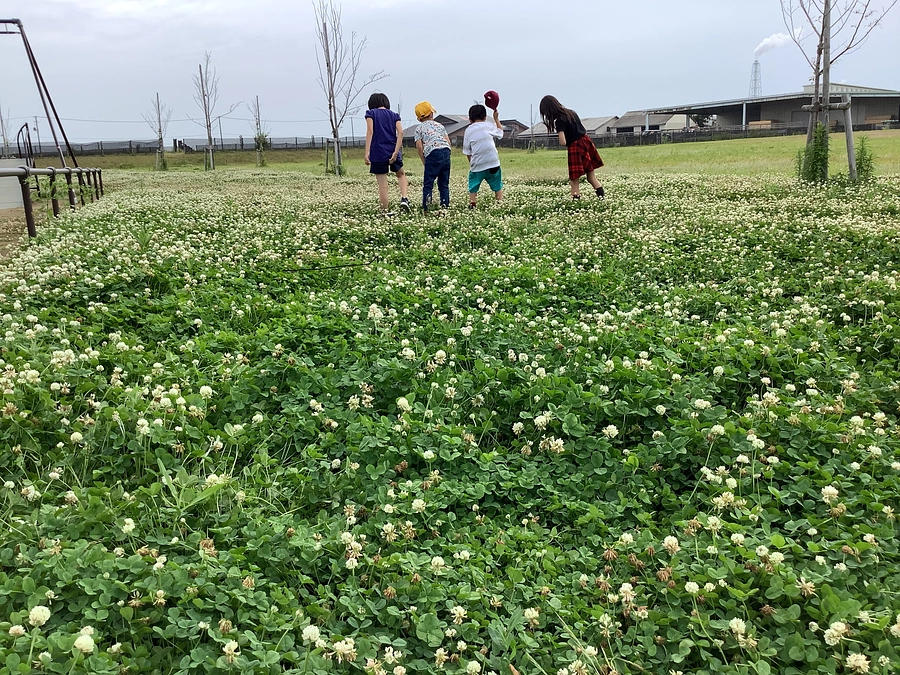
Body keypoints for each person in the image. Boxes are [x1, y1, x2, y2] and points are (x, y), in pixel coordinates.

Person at [539, 95, 605, 200]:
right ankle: (602, 198)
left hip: (575, 147)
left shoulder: (559, 121)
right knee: (591, 177)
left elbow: (563, 141)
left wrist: (564, 142)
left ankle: (576, 204)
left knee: (574, 180)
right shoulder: (572, 113)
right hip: (586, 142)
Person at [364, 92, 410, 215]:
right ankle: (404, 198)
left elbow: (370, 132)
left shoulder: (371, 113)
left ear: (372, 104)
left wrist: (367, 152)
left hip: (378, 152)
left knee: (382, 184)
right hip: (392, 149)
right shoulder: (394, 115)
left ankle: (384, 211)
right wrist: (396, 151)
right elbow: (400, 132)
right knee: (401, 174)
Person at [462, 104, 503, 209]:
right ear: (485, 117)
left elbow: (467, 151)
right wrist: (496, 119)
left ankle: (473, 204)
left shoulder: (468, 130)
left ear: (470, 119)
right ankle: (500, 203)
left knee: (473, 183)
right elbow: (500, 134)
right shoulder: (488, 125)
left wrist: (472, 164)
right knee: (497, 183)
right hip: (493, 162)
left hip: (478, 165)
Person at [413, 101, 452, 212]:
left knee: (428, 183)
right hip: (446, 152)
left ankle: (427, 208)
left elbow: (420, 147)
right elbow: (448, 142)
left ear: (419, 118)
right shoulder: (440, 126)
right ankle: (445, 206)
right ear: (431, 114)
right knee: (444, 184)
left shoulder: (419, 129)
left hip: (433, 153)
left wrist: (424, 161)